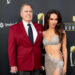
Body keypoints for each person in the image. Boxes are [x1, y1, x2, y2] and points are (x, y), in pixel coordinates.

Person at [8, 3, 43, 75]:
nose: (28, 13)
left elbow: (43, 43)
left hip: (36, 65)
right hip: (22, 65)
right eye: (26, 11)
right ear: (21, 14)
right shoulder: (14, 28)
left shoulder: (39, 27)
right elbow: (11, 48)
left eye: (30, 11)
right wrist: (13, 65)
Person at [42, 9, 67, 75]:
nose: (54, 21)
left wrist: (65, 66)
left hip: (57, 61)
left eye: (56, 19)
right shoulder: (43, 33)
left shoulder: (61, 32)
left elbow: (64, 49)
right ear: (48, 20)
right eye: (51, 19)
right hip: (47, 62)